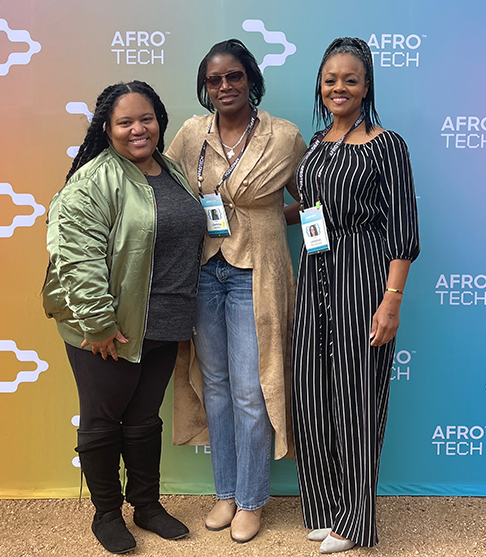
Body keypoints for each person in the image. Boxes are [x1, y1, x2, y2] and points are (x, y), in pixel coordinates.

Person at [42, 81, 205, 555]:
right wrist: (97, 322)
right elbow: (76, 255)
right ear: (107, 129)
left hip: (165, 320)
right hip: (112, 326)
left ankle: (147, 506)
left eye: (147, 118)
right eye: (125, 121)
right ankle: (107, 514)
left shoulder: (169, 169)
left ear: (160, 120)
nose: (139, 129)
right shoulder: (94, 179)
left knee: (142, 418)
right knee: (102, 418)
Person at [166, 39, 306, 543]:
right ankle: (225, 494)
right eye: (214, 80)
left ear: (250, 79)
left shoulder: (283, 136)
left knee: (251, 392)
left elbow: (310, 201)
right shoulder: (189, 134)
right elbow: (168, 192)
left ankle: (251, 500)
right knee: (217, 388)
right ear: (205, 87)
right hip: (204, 273)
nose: (224, 86)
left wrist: (275, 221)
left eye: (234, 76)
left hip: (257, 276)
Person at [291, 37, 420, 554]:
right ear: (319, 86)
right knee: (314, 394)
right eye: (330, 79)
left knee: (358, 399)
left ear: (367, 86)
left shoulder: (387, 145)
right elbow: (307, 209)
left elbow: (403, 228)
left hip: (363, 278)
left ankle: (356, 520)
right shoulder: (318, 144)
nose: (338, 87)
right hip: (314, 276)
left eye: (350, 79)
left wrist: (391, 300)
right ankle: (324, 508)